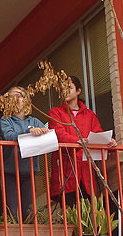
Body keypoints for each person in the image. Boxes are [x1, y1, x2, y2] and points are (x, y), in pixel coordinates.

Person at [48, 75, 116, 207]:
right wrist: (77, 141)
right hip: (66, 168)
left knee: (90, 212)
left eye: (69, 87)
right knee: (71, 213)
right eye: (62, 89)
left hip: (86, 171)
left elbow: (97, 134)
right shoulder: (55, 112)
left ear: (78, 91)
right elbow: (58, 134)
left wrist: (109, 142)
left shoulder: (89, 114)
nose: (65, 91)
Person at [0, 86, 48, 221]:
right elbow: (9, 136)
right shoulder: (6, 120)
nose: (14, 99)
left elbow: (47, 133)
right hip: (10, 171)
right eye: (10, 96)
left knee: (29, 208)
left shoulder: (34, 121)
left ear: (26, 99)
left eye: (18, 95)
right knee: (12, 208)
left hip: (29, 170)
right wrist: (29, 131)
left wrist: (43, 131)